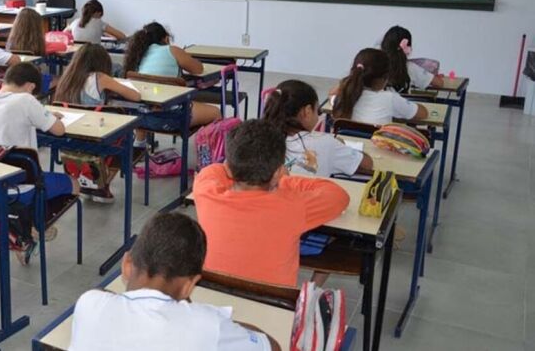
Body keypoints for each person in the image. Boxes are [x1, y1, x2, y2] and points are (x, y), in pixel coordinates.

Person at [69, 212, 275, 351]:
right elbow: (272, 347)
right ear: (189, 285)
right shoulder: (208, 325)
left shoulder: (89, 303)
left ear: (127, 264)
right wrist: (217, 320)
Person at [193, 119, 348, 287]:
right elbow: (338, 194)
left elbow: (214, 170)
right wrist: (284, 181)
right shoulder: (293, 206)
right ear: (278, 171)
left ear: (229, 167)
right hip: (275, 308)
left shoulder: (206, 191)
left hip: (215, 301)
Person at [0, 62, 71, 263]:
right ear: (30, 87)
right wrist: (47, 115)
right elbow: (59, 130)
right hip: (23, 185)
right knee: (73, 184)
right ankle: (36, 227)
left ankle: (25, 227)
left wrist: (43, 113)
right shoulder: (26, 101)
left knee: (37, 178)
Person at [122, 22, 221, 140]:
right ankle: (210, 153)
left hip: (139, 119)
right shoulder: (172, 50)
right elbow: (198, 69)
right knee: (216, 112)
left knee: (147, 96)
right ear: (166, 38)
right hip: (172, 119)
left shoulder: (138, 55)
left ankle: (139, 145)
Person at [262, 79, 372, 177]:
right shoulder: (326, 143)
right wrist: (341, 145)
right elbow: (367, 164)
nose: (318, 115)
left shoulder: (260, 140)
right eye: (317, 110)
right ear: (307, 111)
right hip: (309, 198)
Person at [332, 48, 428, 125]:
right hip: (376, 148)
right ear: (384, 78)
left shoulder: (343, 96)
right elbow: (423, 114)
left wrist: (343, 86)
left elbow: (331, 95)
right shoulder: (390, 98)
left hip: (347, 147)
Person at [54, 43, 140, 106]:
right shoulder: (100, 78)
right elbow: (136, 96)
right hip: (93, 123)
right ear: (103, 63)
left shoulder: (68, 77)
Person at [380, 25, 443, 92]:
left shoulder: (375, 64)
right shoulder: (410, 67)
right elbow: (440, 84)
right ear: (408, 47)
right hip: (401, 102)